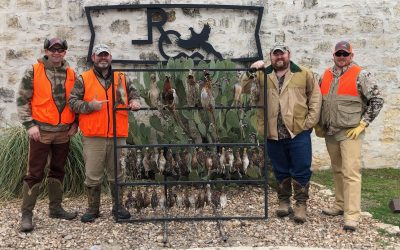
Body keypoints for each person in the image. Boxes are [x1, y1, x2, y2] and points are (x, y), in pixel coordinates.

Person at [240, 42, 322, 223]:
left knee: (301, 168)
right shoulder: (263, 74)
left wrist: (308, 123)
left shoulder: (303, 73)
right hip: (272, 133)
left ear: (288, 54)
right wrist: (251, 71)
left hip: (297, 131)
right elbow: (244, 89)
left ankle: (301, 204)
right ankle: (284, 201)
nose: (279, 57)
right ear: (271, 56)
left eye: (282, 54)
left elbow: (315, 98)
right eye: (275, 54)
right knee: (280, 169)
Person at [68, 44, 141, 223]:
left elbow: (134, 95)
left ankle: (118, 207)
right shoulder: (83, 79)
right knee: (93, 174)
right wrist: (90, 106)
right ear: (93, 58)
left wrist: (135, 102)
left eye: (105, 55)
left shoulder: (122, 77)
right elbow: (72, 102)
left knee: (118, 173)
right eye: (99, 55)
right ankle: (93, 209)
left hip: (118, 134)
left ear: (110, 57)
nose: (103, 58)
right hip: (94, 135)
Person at [317, 41, 384, 231]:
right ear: (333, 55)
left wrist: (364, 123)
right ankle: (339, 205)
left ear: (351, 56)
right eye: (338, 54)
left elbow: (377, 100)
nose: (341, 57)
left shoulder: (361, 75)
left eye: (345, 54)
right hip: (330, 131)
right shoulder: (326, 74)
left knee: (351, 173)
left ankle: (352, 215)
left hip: (350, 132)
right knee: (337, 170)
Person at [16, 38, 78, 232]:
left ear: (65, 53)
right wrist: (29, 125)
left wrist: (75, 122)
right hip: (40, 132)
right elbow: (22, 99)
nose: (57, 53)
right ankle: (27, 214)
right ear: (46, 51)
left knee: (58, 170)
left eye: (60, 50)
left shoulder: (71, 73)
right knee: (34, 173)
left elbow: (75, 100)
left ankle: (56, 208)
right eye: (53, 49)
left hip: (63, 132)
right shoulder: (33, 70)